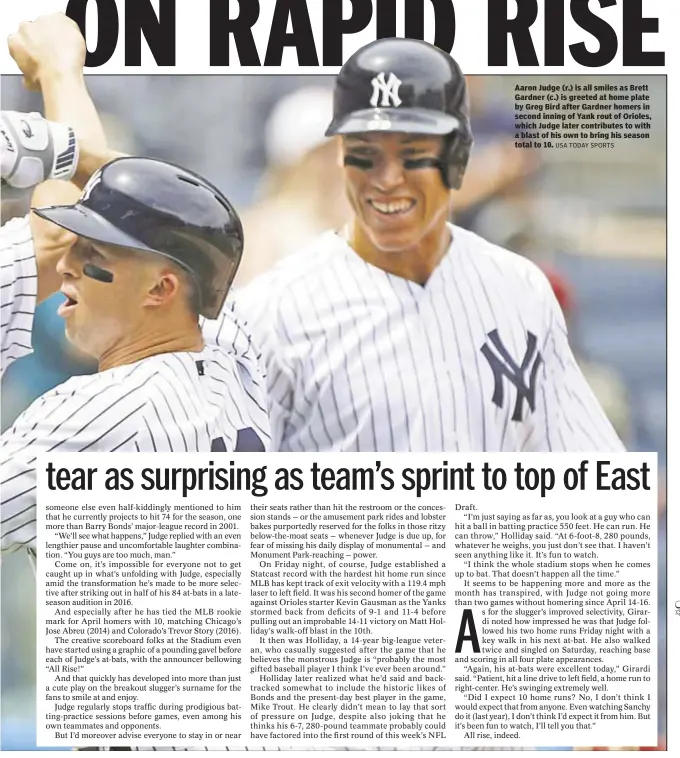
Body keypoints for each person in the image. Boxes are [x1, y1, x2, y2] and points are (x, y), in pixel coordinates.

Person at [221, 38, 624, 454]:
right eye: (366, 154)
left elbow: (586, 470)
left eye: (413, 154)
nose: (388, 178)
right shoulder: (270, 312)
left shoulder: (521, 291)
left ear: (459, 158)